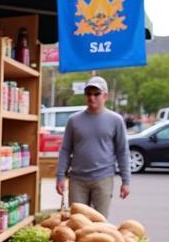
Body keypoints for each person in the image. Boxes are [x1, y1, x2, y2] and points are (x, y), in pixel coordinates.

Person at [55, 75, 130, 217]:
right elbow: (65, 150)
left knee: (100, 223)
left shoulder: (116, 120)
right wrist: (60, 177)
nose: (92, 97)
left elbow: (122, 152)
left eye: (97, 94)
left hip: (103, 179)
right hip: (77, 180)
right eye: (88, 94)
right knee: (77, 222)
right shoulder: (74, 120)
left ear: (105, 96)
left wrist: (126, 181)